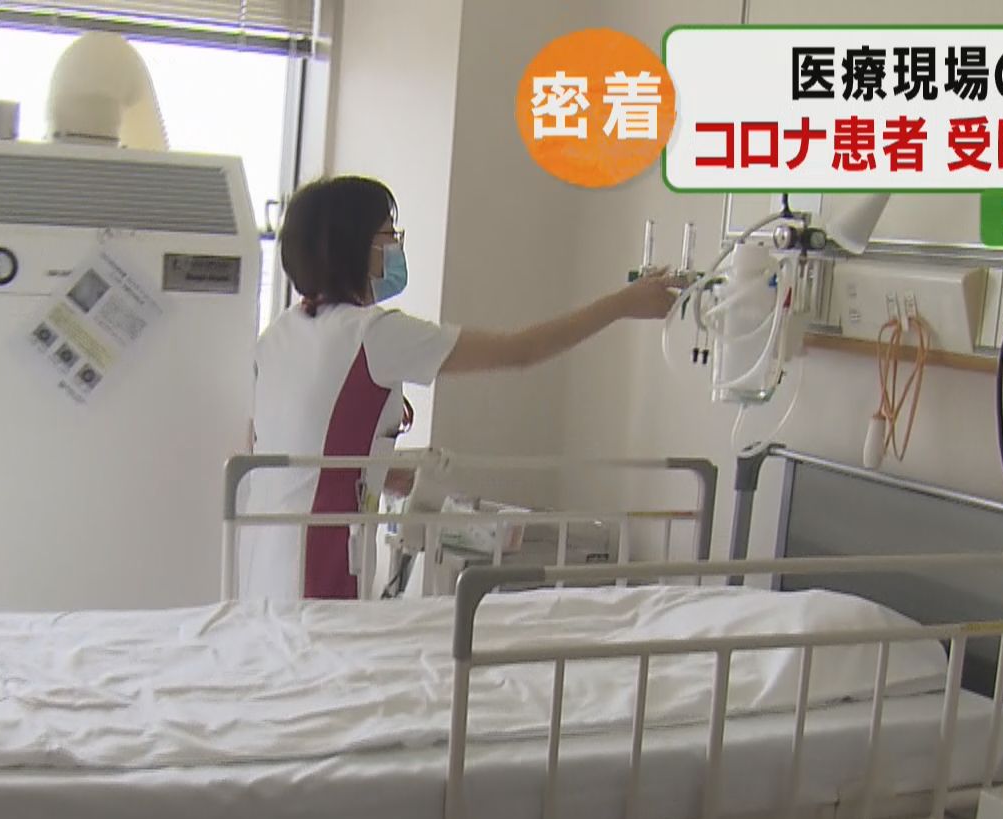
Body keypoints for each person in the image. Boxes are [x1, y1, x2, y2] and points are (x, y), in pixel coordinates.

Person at [236, 175, 686, 602]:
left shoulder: (278, 336)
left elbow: (291, 446)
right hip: (318, 567)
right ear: (357, 248)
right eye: (388, 236)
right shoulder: (372, 333)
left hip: (261, 565)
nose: (395, 248)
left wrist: (382, 473)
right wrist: (624, 304)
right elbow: (520, 351)